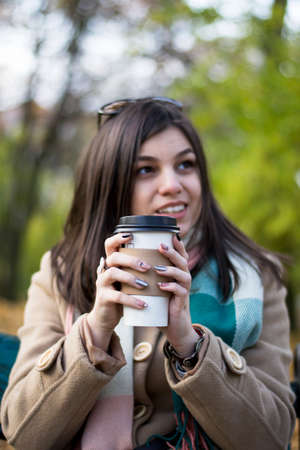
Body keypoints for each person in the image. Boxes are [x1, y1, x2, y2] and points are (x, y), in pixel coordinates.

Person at [0, 97, 295, 450]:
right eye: (145, 170)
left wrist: (190, 346)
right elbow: (25, 432)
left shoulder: (255, 278)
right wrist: (95, 332)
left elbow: (272, 436)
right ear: (110, 185)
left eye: (186, 165)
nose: (173, 184)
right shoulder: (61, 272)